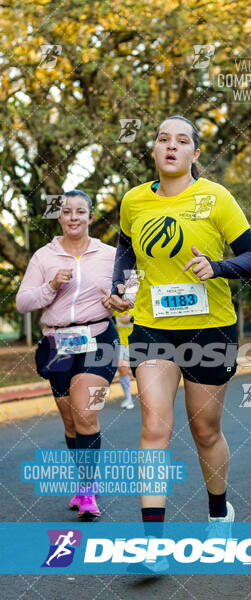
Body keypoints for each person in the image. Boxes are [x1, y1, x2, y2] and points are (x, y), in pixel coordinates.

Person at [102, 115, 251, 544]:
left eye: (182, 140)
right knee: (154, 428)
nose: (170, 146)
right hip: (153, 328)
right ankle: (153, 542)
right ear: (153, 150)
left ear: (195, 154)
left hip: (210, 330)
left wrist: (217, 267)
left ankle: (218, 512)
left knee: (205, 429)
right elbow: (125, 246)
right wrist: (120, 286)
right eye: (162, 139)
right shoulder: (134, 201)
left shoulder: (216, 198)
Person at [16, 190, 119, 519]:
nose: (74, 217)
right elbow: (22, 303)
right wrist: (50, 288)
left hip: (99, 337)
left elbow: (131, 289)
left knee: (86, 413)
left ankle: (88, 493)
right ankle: (84, 483)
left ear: (90, 217)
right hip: (57, 343)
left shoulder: (110, 255)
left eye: (81, 211)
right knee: (72, 419)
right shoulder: (43, 257)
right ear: (59, 217)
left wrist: (122, 301)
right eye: (67, 212)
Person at [113, 308, 135, 409]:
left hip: (137, 341)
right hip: (121, 342)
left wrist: (131, 319)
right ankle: (128, 398)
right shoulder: (115, 307)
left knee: (142, 371)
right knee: (122, 368)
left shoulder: (137, 304)